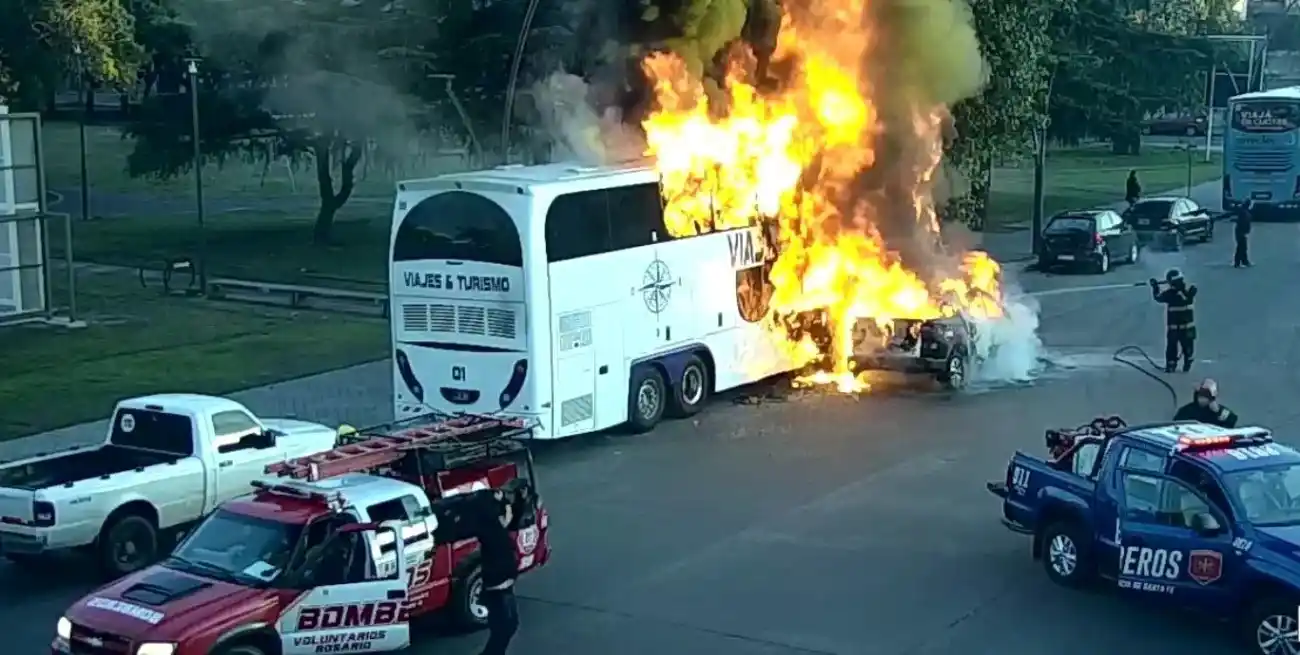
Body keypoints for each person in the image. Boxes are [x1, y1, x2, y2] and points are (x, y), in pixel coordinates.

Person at [475, 491, 519, 655]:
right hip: (497, 591)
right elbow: (503, 519)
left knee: (509, 626)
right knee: (505, 627)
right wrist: (501, 501)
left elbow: (506, 518)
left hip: (504, 588)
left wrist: (505, 503)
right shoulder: (489, 530)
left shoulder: (496, 527)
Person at [1151, 269, 1197, 373]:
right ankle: (1187, 362)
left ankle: (1172, 365)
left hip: (1174, 328)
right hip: (1187, 328)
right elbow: (1191, 295)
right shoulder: (1189, 291)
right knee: (1187, 346)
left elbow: (1158, 297)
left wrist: (1155, 287)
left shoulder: (1170, 294)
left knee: (1172, 347)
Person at [1173, 378, 1238, 427]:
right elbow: (1175, 424)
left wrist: (1218, 412)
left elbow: (1232, 419)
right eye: (1200, 396)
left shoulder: (1221, 411)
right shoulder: (1187, 410)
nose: (1202, 400)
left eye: (1205, 397)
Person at [1234, 199, 1253, 268]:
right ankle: (1239, 262)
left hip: (1241, 231)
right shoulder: (1243, 212)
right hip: (1241, 232)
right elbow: (1242, 223)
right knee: (1241, 247)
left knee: (1242, 247)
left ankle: (1242, 262)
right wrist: (1244, 232)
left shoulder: (1244, 211)